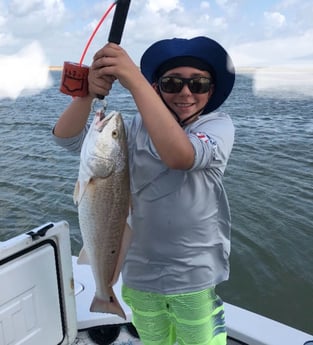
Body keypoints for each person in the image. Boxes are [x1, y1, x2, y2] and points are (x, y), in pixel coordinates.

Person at [53, 36, 235, 345]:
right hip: (138, 273)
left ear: (212, 90)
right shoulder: (133, 129)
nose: (186, 92)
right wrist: (88, 95)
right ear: (155, 88)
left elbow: (181, 156)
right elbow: (66, 138)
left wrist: (133, 79)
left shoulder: (217, 127)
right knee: (153, 339)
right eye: (172, 83)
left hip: (194, 275)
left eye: (199, 84)